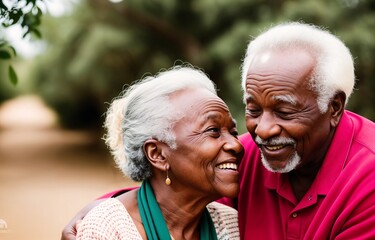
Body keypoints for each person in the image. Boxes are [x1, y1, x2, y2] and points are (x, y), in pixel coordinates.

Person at [62, 22, 375, 240]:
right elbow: (180, 186)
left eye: (284, 110)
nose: (261, 131)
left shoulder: (367, 179)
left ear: (333, 108)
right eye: (252, 109)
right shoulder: (256, 154)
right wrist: (104, 211)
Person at [73, 66, 243, 239]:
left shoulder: (231, 225)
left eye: (234, 132)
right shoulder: (107, 229)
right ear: (157, 154)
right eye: (213, 130)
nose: (236, 145)